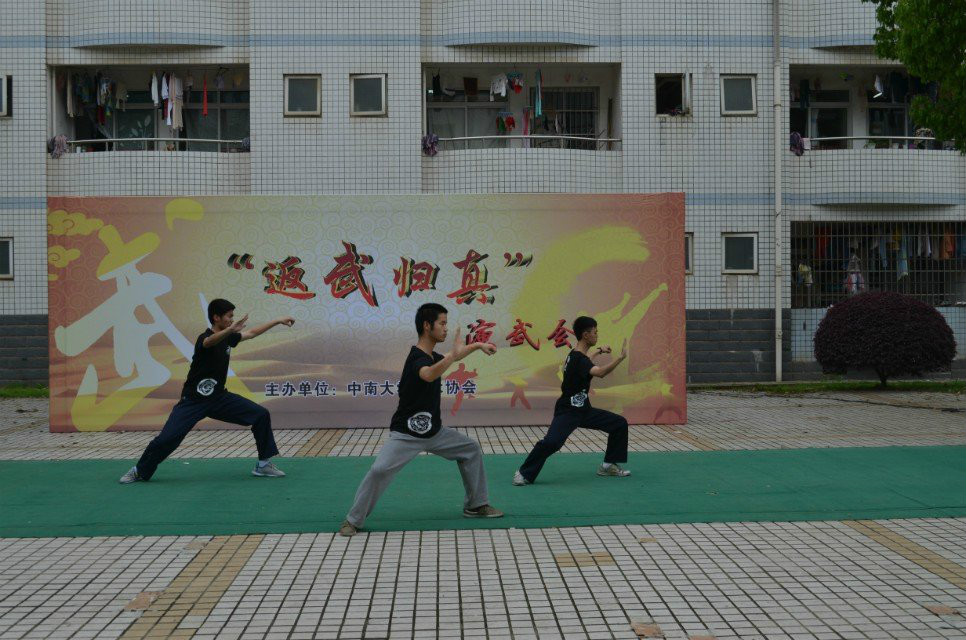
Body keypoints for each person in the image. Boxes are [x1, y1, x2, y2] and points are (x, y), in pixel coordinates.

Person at [339, 303, 503, 536]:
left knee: (470, 449)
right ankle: (353, 520)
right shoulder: (416, 358)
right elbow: (428, 374)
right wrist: (452, 358)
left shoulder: (432, 356)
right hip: (406, 435)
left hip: (435, 434)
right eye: (442, 323)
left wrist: (477, 345)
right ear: (427, 326)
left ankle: (476, 506)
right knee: (379, 469)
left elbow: (447, 359)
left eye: (447, 324)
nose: (445, 329)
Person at [119, 299, 294, 483]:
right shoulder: (204, 338)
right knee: (167, 439)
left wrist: (277, 320)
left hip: (219, 398)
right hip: (193, 401)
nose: (231, 320)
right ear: (216, 317)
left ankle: (263, 465)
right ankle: (139, 471)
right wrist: (230, 330)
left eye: (232, 317)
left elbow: (250, 333)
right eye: (229, 316)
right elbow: (210, 342)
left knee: (260, 414)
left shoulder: (228, 337)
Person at [514, 316, 630, 485]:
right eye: (595, 332)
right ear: (585, 335)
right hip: (568, 411)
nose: (597, 335)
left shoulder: (576, 355)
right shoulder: (579, 359)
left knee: (619, 424)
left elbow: (586, 360)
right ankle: (524, 473)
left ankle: (607, 465)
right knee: (552, 442)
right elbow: (600, 373)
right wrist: (620, 358)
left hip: (584, 410)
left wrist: (599, 350)